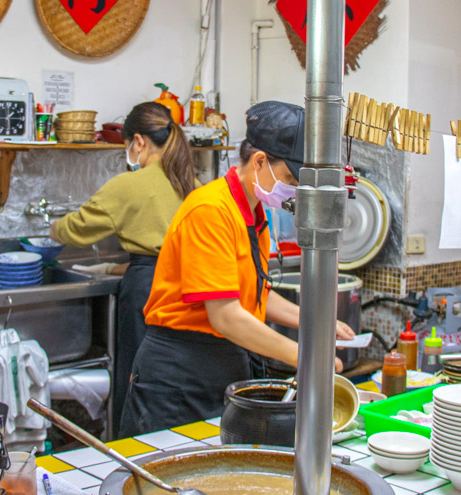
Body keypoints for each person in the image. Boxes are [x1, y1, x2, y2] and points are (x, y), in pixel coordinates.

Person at [119, 101, 354, 437]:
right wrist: (306, 358)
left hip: (219, 364)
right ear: (260, 161)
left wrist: (314, 322)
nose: (295, 190)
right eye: (290, 178)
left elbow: (253, 294)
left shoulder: (254, 214)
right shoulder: (210, 210)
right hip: (176, 377)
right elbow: (226, 315)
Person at [50, 102, 198, 430]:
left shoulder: (130, 184)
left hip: (147, 290)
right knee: (169, 380)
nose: (128, 152)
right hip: (189, 287)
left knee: (137, 377)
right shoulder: (191, 181)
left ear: (139, 142)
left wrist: (52, 230)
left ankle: (131, 453)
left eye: (127, 144)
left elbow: (77, 228)